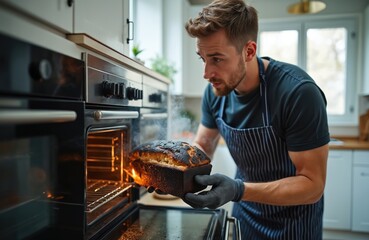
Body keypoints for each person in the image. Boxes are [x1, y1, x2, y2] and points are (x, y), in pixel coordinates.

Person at [181, 0, 330, 239]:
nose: (207, 73)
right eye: (203, 58)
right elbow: (204, 145)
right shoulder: (215, 91)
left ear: (249, 51)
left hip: (293, 224)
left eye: (217, 59)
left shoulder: (297, 93)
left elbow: (312, 185)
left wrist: (238, 189)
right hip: (245, 216)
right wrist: (175, 172)